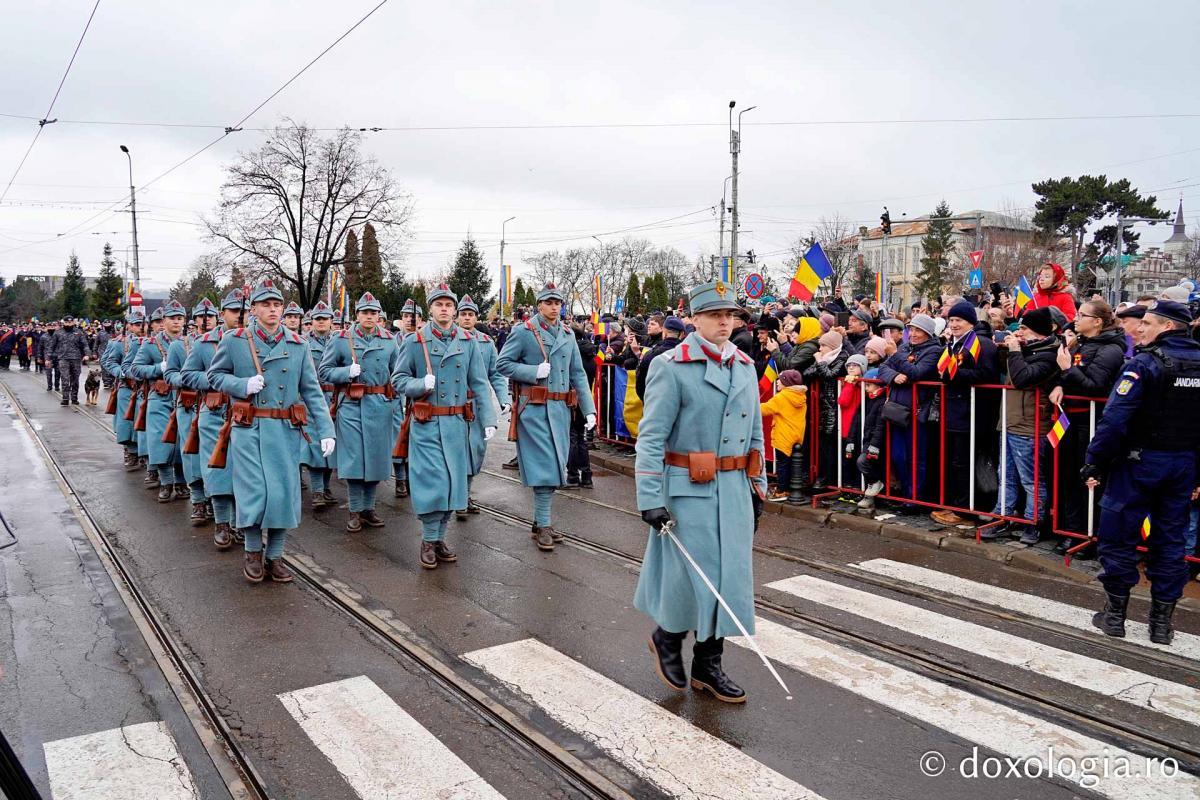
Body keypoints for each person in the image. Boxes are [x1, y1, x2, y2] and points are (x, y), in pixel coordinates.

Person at [635, 278, 766, 703]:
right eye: (714, 315)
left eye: (730, 315)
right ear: (694, 319)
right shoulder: (670, 366)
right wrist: (650, 497)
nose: (724, 322)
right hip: (686, 489)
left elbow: (755, 434)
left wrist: (758, 487)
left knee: (729, 578)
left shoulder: (745, 366)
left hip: (734, 488)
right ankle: (668, 637)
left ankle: (709, 665)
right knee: (691, 577)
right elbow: (651, 438)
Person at [1083, 300, 1200, 645]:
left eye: (1147, 323)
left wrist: (1095, 460)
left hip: (1139, 463)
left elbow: (1115, 418)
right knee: (1171, 541)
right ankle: (1161, 625)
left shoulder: (1145, 363)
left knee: (1119, 537)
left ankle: (1115, 616)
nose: (1139, 329)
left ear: (1167, 327)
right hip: (1183, 465)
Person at [207, 279, 335, 584]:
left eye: (277, 304)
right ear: (254, 309)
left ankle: (275, 555)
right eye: (266, 304)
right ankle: (253, 551)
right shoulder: (235, 340)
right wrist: (242, 385)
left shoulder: (298, 344)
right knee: (254, 492)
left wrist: (326, 430)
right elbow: (214, 375)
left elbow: (312, 391)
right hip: (248, 428)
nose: (273, 310)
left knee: (282, 493)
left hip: (284, 430)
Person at [392, 284, 496, 567]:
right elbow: (398, 379)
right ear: (431, 309)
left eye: (449, 305)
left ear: (454, 310)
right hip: (427, 423)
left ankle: (439, 538)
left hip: (457, 424)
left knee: (453, 483)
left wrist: (488, 419)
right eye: (439, 304)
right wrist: (419, 385)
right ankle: (428, 539)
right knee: (433, 483)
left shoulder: (468, 341)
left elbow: (479, 382)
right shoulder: (416, 341)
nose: (444, 309)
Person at [495, 282, 596, 550]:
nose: (553, 307)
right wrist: (532, 372)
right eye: (548, 303)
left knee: (556, 464)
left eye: (557, 303)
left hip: (560, 410)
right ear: (539, 305)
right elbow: (502, 364)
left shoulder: (567, 333)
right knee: (545, 467)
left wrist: (589, 409)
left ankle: (540, 521)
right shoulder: (524, 332)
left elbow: (578, 374)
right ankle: (544, 525)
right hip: (534, 410)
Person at [1048, 300, 1126, 552]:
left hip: (1091, 422)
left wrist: (1067, 369)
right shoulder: (1079, 342)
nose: (1076, 319)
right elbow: (1065, 375)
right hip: (1070, 419)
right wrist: (1060, 383)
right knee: (1069, 477)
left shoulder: (1111, 349)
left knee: (1089, 479)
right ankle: (1072, 530)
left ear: (1097, 322)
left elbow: (1095, 385)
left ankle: (1090, 535)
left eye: (1082, 315)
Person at [319, 292, 399, 532]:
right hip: (351, 406)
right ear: (357, 314)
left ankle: (369, 509)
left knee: (376, 460)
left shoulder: (389, 340)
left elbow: (398, 375)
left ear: (379, 315)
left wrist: (396, 404)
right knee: (354, 460)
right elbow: (324, 371)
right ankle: (355, 510)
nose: (369, 316)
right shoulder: (341, 339)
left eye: (373, 312)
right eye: (365, 312)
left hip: (380, 406)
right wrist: (346, 372)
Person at [987, 307, 1060, 543]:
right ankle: (1003, 517)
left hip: (1030, 426)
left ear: (1039, 332)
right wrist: (1003, 348)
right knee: (1005, 476)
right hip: (1009, 421)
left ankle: (1033, 522)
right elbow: (1003, 369)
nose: (1020, 332)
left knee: (1031, 480)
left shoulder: (1050, 354)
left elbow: (1022, 379)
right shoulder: (1027, 349)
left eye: (1025, 329)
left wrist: (1016, 351)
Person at [182, 289, 247, 550]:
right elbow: (187, 375)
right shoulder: (205, 343)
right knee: (219, 470)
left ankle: (239, 522)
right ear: (223, 314)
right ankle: (222, 523)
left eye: (243, 311)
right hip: (215, 412)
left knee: (244, 472)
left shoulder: (253, 341)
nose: (239, 316)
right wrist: (218, 380)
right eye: (234, 311)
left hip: (245, 414)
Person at [931, 301, 1000, 525]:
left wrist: (955, 375)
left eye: (958, 320)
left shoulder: (982, 344)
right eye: (951, 320)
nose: (953, 324)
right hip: (955, 411)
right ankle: (957, 505)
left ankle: (966, 510)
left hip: (973, 413)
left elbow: (987, 375)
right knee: (956, 462)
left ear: (970, 322)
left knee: (965, 462)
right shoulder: (954, 343)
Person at [877, 315, 942, 502]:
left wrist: (894, 355)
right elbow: (883, 369)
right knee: (898, 455)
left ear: (927, 333)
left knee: (916, 457)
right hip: (898, 410)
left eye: (917, 330)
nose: (912, 334)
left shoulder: (934, 351)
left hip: (918, 411)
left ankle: (914, 496)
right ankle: (906, 492)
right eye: (911, 330)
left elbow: (916, 372)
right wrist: (894, 376)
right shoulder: (905, 348)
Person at [129, 300, 188, 503]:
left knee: (183, 442)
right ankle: (165, 482)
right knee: (160, 442)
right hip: (160, 398)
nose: (176, 322)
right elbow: (135, 369)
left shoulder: (190, 343)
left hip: (184, 398)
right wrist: (158, 368)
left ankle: (181, 482)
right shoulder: (151, 344)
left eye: (180, 318)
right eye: (172, 318)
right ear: (164, 321)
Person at [456, 294, 510, 511]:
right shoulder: (450, 338)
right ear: (457, 316)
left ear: (476, 317)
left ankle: (465, 494)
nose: (467, 318)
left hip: (478, 404)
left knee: (475, 449)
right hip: (454, 404)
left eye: (470, 314)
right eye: (463, 314)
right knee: (456, 450)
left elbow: (495, 374)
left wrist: (504, 399)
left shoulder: (486, 343)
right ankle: (459, 497)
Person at [166, 298, 218, 524]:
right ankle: (198, 500)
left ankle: (216, 498)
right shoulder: (180, 345)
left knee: (216, 456)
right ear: (194, 320)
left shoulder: (227, 341)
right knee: (191, 455)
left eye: (211, 316)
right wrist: (188, 380)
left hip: (216, 406)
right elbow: (170, 374)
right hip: (189, 405)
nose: (206, 321)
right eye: (201, 317)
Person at [301, 301, 338, 510]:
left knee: (331, 444)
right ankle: (317, 491)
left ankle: (325, 487)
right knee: (315, 445)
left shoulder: (340, 341)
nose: (321, 322)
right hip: (312, 399)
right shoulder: (303, 343)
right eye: (317, 319)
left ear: (331, 321)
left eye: (325, 318)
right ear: (312, 321)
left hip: (334, 398)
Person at [101, 310, 146, 471]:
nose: (140, 327)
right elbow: (108, 361)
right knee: (126, 422)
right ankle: (131, 451)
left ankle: (144, 452)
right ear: (129, 326)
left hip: (145, 387)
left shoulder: (150, 342)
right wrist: (121, 373)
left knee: (143, 421)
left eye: (142, 324)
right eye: (136, 324)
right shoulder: (119, 343)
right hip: (127, 386)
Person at [803, 330, 848, 490]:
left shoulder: (842, 358)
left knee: (830, 446)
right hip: (823, 408)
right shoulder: (824, 359)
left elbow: (830, 375)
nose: (820, 349)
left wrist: (820, 362)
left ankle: (828, 479)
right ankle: (820, 477)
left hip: (835, 408)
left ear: (833, 346)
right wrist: (821, 363)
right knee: (821, 445)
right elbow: (807, 373)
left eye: (823, 346)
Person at [761, 369, 807, 501]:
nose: (777, 382)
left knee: (782, 464)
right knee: (792, 464)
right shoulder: (801, 396)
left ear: (787, 383)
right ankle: (790, 488)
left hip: (783, 435)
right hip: (796, 435)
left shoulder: (782, 397)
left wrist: (749, 405)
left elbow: (764, 409)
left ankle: (781, 491)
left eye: (780, 380)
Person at [48, 315, 92, 405]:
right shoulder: (58, 333)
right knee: (65, 378)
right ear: (63, 322)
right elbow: (51, 346)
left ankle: (74, 398)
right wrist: (48, 358)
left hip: (76, 358)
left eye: (70, 322)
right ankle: (65, 398)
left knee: (75, 379)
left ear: (73, 322)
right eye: (66, 322)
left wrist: (87, 354)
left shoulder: (78, 332)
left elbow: (85, 345)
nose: (68, 324)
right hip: (63, 358)